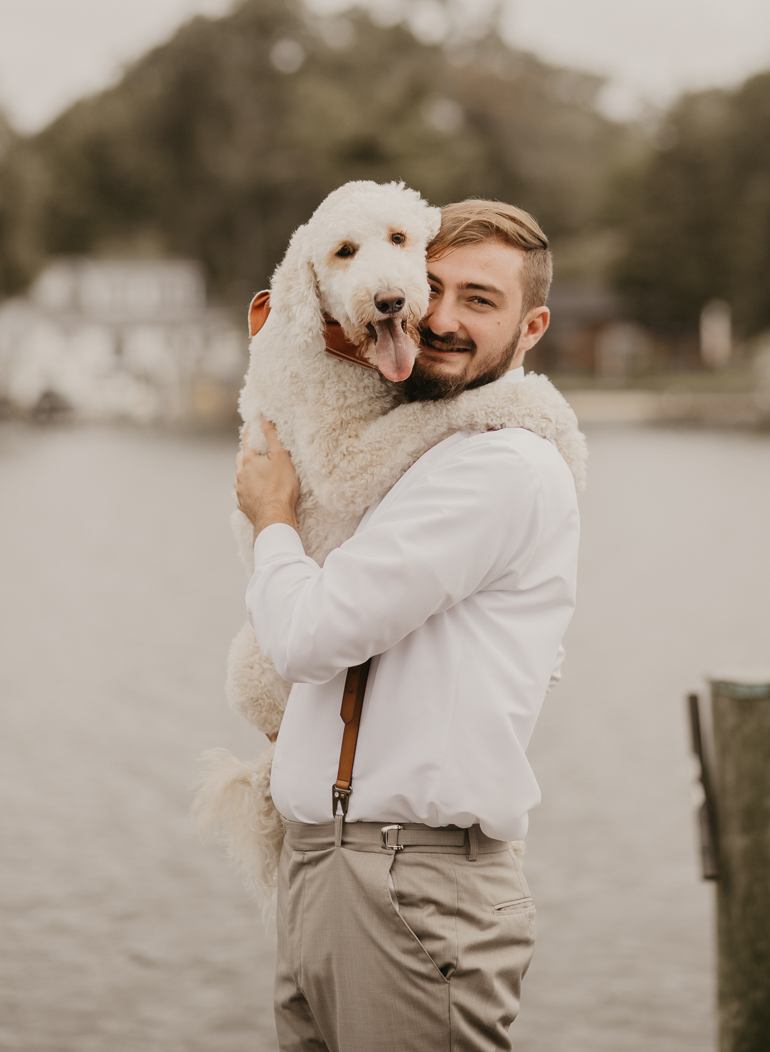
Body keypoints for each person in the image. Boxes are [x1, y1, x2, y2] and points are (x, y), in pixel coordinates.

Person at [235, 199, 580, 1052]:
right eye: (433, 289)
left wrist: (274, 517)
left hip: (409, 881)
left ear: (531, 326)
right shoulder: (419, 450)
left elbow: (310, 634)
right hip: (325, 869)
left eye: (481, 301)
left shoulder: (503, 463)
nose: (443, 318)